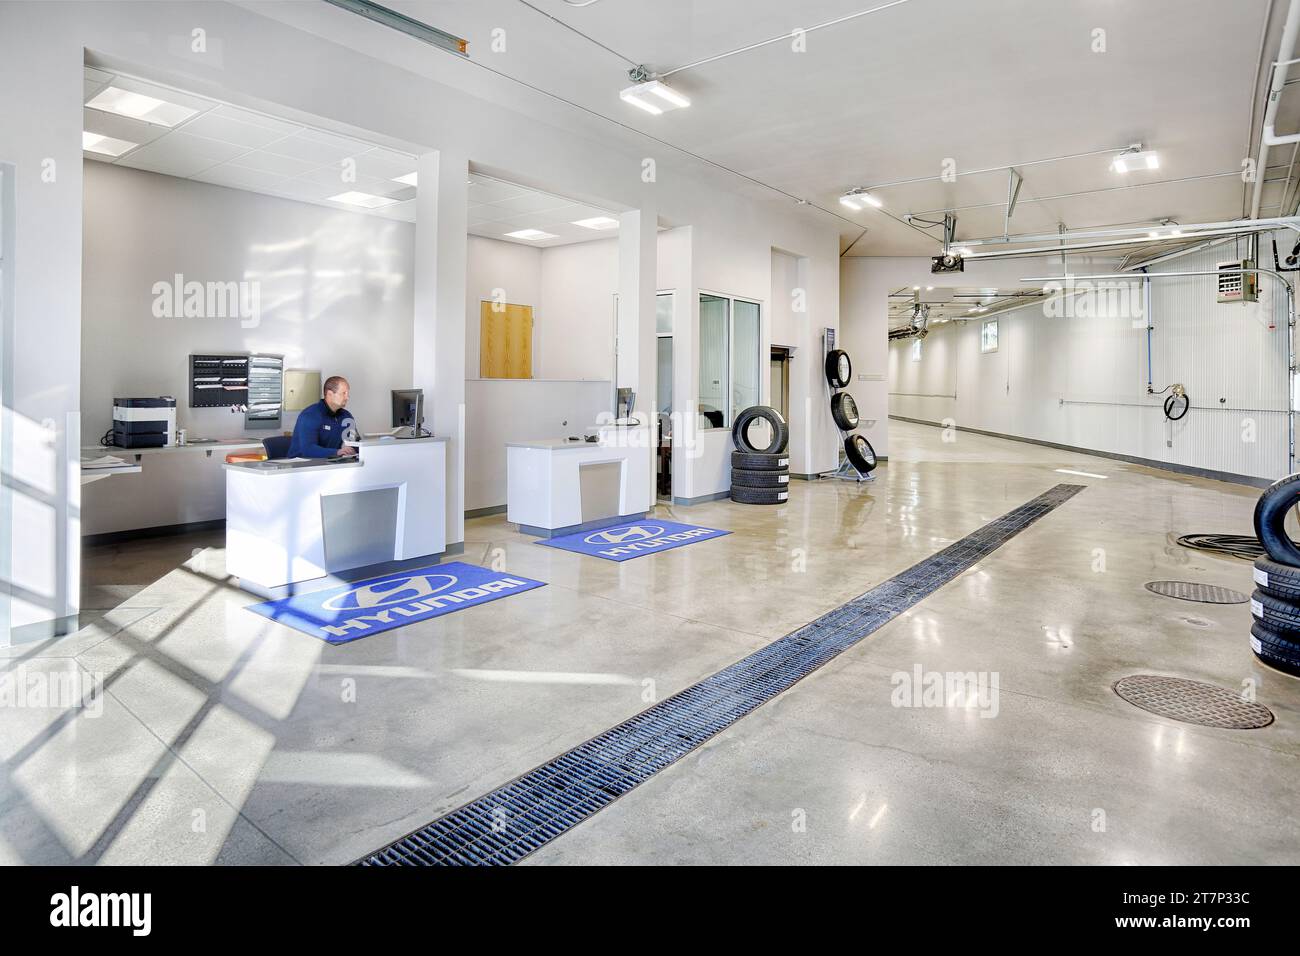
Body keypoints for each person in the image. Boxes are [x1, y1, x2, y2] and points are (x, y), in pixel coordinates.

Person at [288, 375, 359, 458]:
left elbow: (356, 442)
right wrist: (337, 452)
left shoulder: (347, 416)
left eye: (347, 393)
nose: (347, 397)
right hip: (302, 466)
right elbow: (308, 450)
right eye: (343, 393)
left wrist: (352, 449)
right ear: (330, 394)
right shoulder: (310, 415)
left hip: (332, 463)